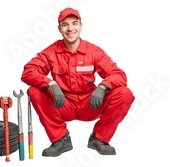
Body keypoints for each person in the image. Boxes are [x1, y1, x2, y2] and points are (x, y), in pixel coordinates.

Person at [21, 7, 135, 157]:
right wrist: (51, 84)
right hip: (62, 104)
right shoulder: (51, 52)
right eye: (65, 24)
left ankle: (99, 139)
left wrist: (103, 87)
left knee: (125, 94)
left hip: (90, 105)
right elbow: (28, 71)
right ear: (59, 28)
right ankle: (61, 140)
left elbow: (118, 75)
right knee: (34, 91)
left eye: (74, 23)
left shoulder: (93, 51)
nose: (70, 28)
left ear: (81, 26)